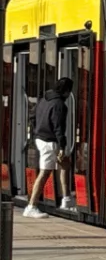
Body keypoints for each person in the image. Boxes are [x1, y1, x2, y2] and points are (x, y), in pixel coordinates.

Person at [23, 78, 74, 218]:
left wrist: (37, 130)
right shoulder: (59, 105)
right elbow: (59, 128)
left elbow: (32, 116)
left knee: (64, 163)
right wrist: (62, 146)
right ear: (66, 91)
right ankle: (31, 206)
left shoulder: (44, 98)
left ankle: (67, 199)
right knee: (45, 173)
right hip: (50, 141)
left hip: (40, 138)